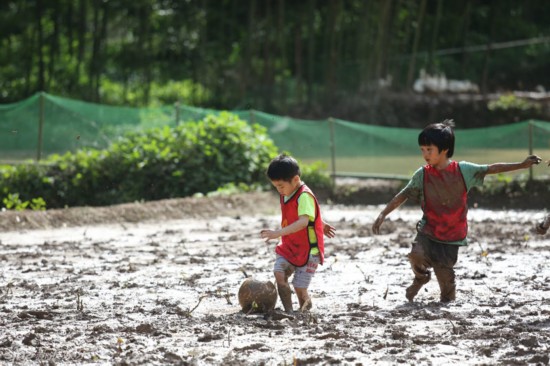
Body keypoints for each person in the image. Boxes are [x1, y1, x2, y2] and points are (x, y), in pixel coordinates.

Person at [372, 120, 541, 303]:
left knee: (446, 287)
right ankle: (421, 277)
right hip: (427, 231)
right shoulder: (422, 174)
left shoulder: (463, 170)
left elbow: (492, 168)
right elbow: (403, 194)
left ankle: (447, 295)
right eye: (422, 150)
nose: (425, 154)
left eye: (429, 150)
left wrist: (521, 165)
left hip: (451, 236)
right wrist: (383, 214)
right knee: (416, 255)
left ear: (444, 149)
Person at [260, 154, 336, 312]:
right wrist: (320, 223)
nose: (279, 190)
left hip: (309, 251)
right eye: (276, 187)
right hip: (290, 246)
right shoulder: (286, 194)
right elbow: (308, 215)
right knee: (278, 273)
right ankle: (288, 311)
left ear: (295, 180)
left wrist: (277, 233)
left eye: (281, 186)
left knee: (299, 288)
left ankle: (304, 310)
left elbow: (303, 221)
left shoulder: (304, 196)